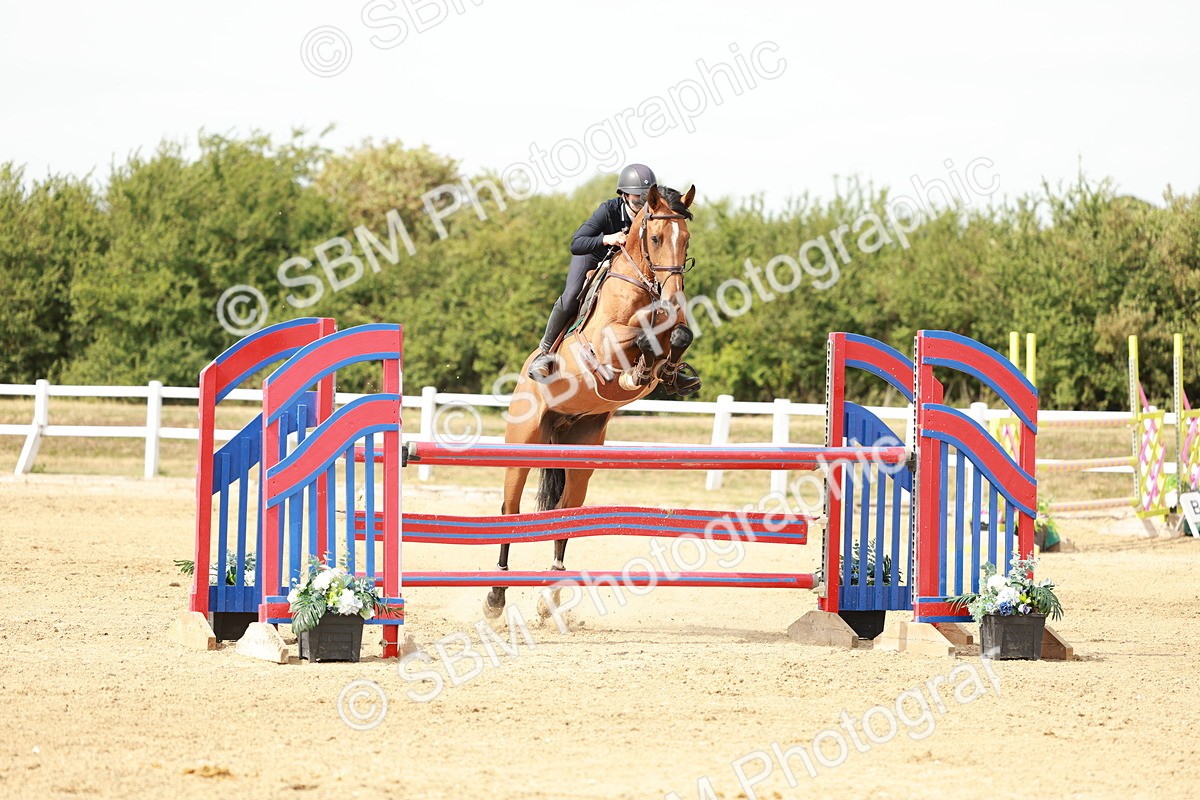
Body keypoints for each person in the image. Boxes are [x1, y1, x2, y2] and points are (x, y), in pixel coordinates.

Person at [527, 163, 657, 382]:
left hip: (628, 267)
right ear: (624, 195)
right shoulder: (608, 210)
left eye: (646, 197)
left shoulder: (652, 215)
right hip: (594, 255)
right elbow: (576, 243)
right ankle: (545, 353)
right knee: (571, 296)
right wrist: (608, 238)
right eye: (637, 198)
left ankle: (670, 362)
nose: (642, 204)